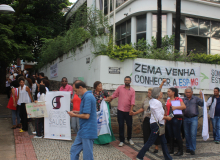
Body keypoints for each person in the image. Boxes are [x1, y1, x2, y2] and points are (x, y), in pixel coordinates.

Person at [136, 87, 173, 160]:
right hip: (157, 125)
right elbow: (159, 117)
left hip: (156, 124)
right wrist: (167, 118)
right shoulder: (157, 103)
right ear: (158, 94)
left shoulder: (152, 101)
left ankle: (168, 158)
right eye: (161, 92)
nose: (162, 93)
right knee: (150, 141)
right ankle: (139, 156)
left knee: (163, 142)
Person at [131, 79, 167, 153]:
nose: (148, 94)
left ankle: (156, 147)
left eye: (150, 93)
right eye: (148, 93)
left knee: (156, 134)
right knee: (146, 134)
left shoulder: (157, 100)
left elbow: (158, 89)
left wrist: (162, 83)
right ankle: (146, 147)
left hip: (155, 120)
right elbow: (142, 108)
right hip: (147, 118)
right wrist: (135, 113)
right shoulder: (146, 100)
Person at [68, 81, 97, 160]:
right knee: (74, 150)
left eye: (75, 90)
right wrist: (76, 112)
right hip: (83, 130)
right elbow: (86, 112)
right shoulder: (86, 96)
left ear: (80, 87)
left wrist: (74, 115)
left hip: (88, 130)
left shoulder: (88, 97)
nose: (75, 93)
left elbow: (87, 116)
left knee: (87, 156)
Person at [106, 76, 135, 147]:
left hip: (128, 111)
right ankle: (122, 140)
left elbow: (132, 102)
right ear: (124, 81)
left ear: (130, 81)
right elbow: (114, 95)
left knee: (129, 125)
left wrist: (131, 110)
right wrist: (108, 99)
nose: (127, 81)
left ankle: (129, 138)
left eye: (128, 80)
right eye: (126, 80)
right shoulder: (120, 88)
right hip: (120, 110)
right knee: (121, 125)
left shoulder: (132, 91)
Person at [182, 87, 203, 155]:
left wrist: (201, 96)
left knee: (193, 134)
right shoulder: (183, 99)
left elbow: (202, 104)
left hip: (194, 118)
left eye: (189, 92)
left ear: (192, 92)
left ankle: (192, 148)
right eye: (186, 92)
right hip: (185, 118)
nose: (187, 94)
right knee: (187, 134)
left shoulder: (196, 99)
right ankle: (188, 147)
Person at [166, 88, 186, 156]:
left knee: (177, 134)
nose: (168, 92)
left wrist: (176, 107)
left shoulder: (178, 99)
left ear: (173, 92)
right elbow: (167, 110)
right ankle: (171, 149)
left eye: (169, 91)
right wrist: (166, 118)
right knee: (170, 135)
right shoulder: (168, 100)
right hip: (169, 118)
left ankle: (180, 150)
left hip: (176, 118)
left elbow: (184, 106)